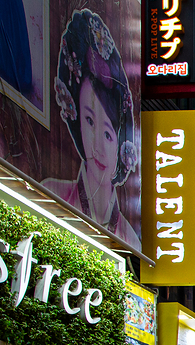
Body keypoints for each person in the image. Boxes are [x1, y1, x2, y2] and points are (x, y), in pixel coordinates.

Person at [43, 10, 138, 248]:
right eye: (89, 121)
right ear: (75, 119)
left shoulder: (131, 241)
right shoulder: (49, 195)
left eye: (107, 134)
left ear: (121, 144)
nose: (96, 146)